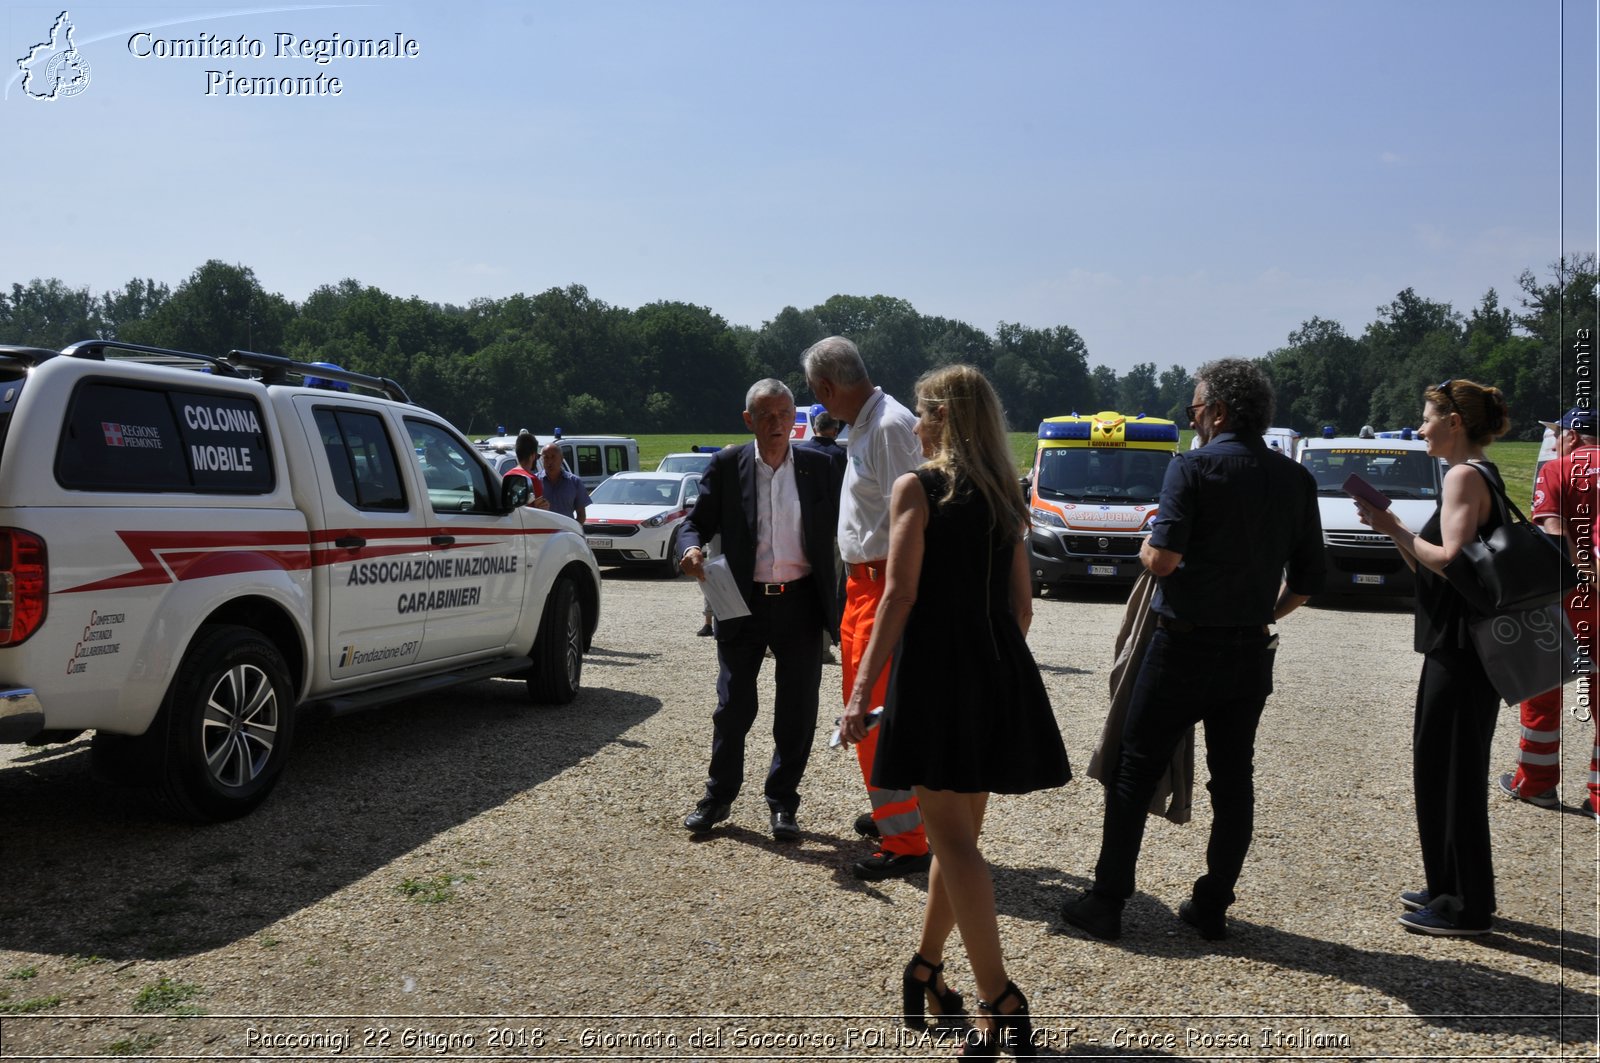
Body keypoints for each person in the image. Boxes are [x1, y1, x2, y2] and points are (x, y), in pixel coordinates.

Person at [839, 364, 1069, 1052]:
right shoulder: (1007, 494)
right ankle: (927, 968)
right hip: (996, 671)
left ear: (945, 416)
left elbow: (898, 596)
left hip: (937, 676)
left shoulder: (921, 488)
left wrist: (859, 692)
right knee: (956, 838)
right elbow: (1021, 607)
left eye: (923, 410)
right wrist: (989, 666)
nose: (914, 422)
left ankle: (1001, 995)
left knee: (955, 843)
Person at [1060, 358, 1324, 942]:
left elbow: (1163, 559)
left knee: (1133, 769)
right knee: (1233, 781)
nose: (1193, 419)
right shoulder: (1296, 480)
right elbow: (1306, 583)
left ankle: (1107, 901)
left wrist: (1151, 552)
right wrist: (1260, 613)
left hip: (1182, 647)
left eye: (1195, 409)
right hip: (1249, 653)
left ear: (1220, 413)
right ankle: (1211, 906)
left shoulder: (1193, 468)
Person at [1355, 378, 1512, 935]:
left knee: (1455, 771)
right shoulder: (1466, 474)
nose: (1419, 429)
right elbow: (1438, 566)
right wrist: (1390, 529)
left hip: (1465, 649)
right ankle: (1446, 883)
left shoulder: (1465, 475)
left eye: (1426, 419)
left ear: (1455, 422)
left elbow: (1445, 558)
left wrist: (1394, 525)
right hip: (1456, 643)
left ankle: (1467, 904)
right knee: (1439, 764)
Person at [677, 380, 839, 841]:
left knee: (797, 707)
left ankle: (783, 804)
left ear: (795, 418)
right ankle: (718, 796)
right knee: (733, 706)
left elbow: (857, 516)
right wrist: (690, 550)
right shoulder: (728, 465)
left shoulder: (819, 466)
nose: (776, 424)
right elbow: (695, 523)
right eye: (765, 415)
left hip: (802, 603)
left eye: (784, 414)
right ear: (748, 419)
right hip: (740, 603)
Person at [803, 335, 932, 880]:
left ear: (827, 387)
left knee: (871, 714)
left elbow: (920, 514)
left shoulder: (886, 427)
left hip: (882, 586)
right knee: (875, 712)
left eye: (815, 394)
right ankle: (895, 816)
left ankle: (906, 840)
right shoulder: (872, 424)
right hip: (866, 584)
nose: (818, 405)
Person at [1496, 406, 1600, 820]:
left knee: (1545, 689)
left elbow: (1552, 533)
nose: (1553, 441)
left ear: (1573, 436)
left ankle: (1536, 784)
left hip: (1568, 596)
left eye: (1557, 434)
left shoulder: (1558, 469)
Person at [537, 442, 590, 522]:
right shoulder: (535, 481)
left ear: (561, 459)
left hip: (566, 532)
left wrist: (573, 530)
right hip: (543, 532)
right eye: (546, 458)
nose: (550, 461)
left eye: (553, 457)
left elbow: (581, 515)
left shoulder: (575, 482)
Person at [501, 431, 549, 510]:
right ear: (532, 455)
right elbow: (540, 514)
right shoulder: (533, 480)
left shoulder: (506, 477)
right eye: (537, 456)